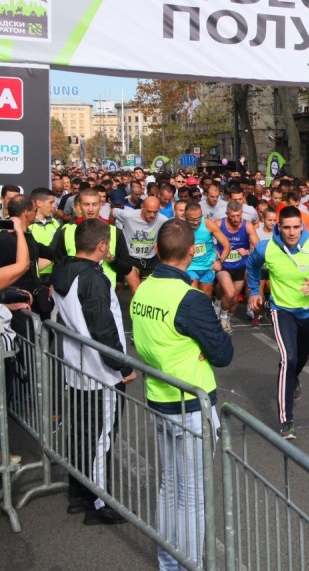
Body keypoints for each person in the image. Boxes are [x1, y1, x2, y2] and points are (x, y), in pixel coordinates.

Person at [129, 219, 233, 570]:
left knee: (170, 488)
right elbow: (223, 354)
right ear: (192, 252)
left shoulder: (143, 289)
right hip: (190, 405)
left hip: (159, 399)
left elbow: (145, 342)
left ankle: (168, 563)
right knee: (191, 495)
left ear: (157, 251)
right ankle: (188, 564)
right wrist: (202, 342)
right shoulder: (189, 298)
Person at [51, 219, 135, 525]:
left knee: (82, 435)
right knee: (101, 439)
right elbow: (103, 328)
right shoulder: (93, 279)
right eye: (107, 245)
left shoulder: (63, 269)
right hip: (101, 373)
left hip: (76, 368)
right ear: (101, 245)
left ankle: (78, 495)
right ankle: (101, 503)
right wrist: (122, 366)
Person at [246, 206, 309, 439]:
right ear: (279, 226)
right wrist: (253, 291)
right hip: (281, 310)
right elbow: (252, 265)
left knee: (300, 358)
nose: (291, 232)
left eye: (296, 227)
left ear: (303, 227)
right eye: (286, 227)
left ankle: (294, 376)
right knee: (288, 359)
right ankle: (286, 420)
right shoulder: (266, 247)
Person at [214, 200, 258, 334]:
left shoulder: (247, 226)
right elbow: (206, 237)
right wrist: (213, 251)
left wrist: (248, 251)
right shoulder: (219, 224)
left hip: (240, 265)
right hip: (223, 264)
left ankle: (226, 317)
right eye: (232, 216)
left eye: (238, 215)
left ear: (242, 214)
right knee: (230, 292)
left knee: (233, 299)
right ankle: (222, 318)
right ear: (227, 214)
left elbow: (258, 245)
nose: (236, 219)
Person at [113, 196, 168, 294]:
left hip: (150, 260)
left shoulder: (162, 220)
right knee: (136, 290)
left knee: (142, 293)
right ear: (142, 206)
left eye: (155, 212)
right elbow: (113, 211)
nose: (152, 215)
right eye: (149, 211)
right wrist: (114, 231)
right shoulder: (129, 215)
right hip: (131, 258)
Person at [182, 203, 231, 298]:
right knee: (194, 297)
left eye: (198, 218)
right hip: (190, 267)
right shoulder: (181, 227)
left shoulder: (208, 224)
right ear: (185, 216)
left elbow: (227, 245)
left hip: (208, 266)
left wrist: (220, 261)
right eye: (192, 219)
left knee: (206, 299)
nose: (196, 222)